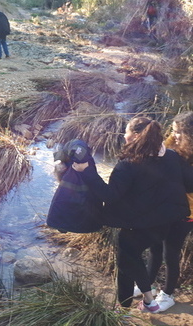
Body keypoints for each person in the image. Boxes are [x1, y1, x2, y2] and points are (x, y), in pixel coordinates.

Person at [73, 116, 193, 313]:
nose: (124, 135)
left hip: (138, 224)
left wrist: (86, 172)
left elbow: (109, 196)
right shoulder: (172, 157)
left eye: (126, 132)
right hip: (166, 223)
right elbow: (190, 184)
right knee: (131, 256)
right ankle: (140, 299)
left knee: (126, 258)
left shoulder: (128, 164)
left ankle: (140, 303)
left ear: (135, 136)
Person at [143, 111, 193, 312]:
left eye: (180, 132)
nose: (175, 135)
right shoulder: (172, 146)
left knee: (170, 252)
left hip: (187, 213)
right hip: (167, 207)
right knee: (154, 247)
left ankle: (168, 294)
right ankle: (148, 285)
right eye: (173, 130)